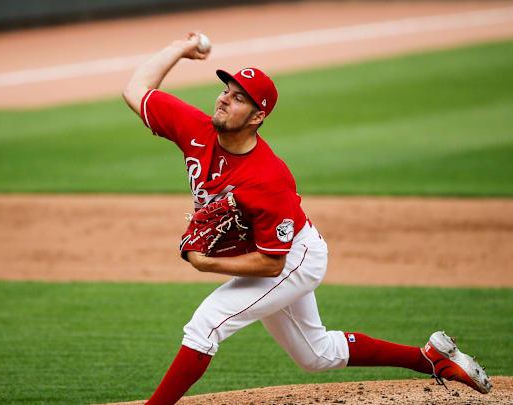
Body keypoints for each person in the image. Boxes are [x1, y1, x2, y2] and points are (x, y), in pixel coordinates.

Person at [122, 33, 490, 405]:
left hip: (292, 257)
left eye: (238, 98)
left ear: (258, 116)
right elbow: (136, 88)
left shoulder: (268, 178)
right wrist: (180, 49)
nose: (223, 99)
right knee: (316, 355)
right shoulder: (194, 128)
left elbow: (272, 263)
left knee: (206, 324)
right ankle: (428, 358)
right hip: (263, 254)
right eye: (226, 90)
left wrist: (207, 263)